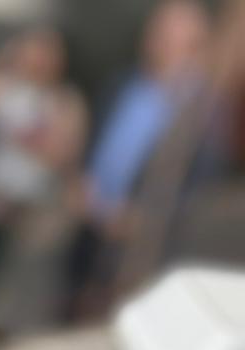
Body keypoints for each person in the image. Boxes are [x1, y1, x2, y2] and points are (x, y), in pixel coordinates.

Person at [64, 0, 210, 320]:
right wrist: (80, 178)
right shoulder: (122, 82)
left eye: (172, 38)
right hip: (87, 225)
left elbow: (201, 185)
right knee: (68, 303)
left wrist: (143, 219)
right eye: (157, 32)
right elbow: (94, 137)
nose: (159, 42)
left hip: (136, 248)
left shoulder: (200, 115)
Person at [0, 28, 86, 298]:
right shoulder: (4, 87)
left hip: (33, 206)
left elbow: (65, 152)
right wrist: (1, 60)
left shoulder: (63, 99)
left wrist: (33, 141)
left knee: (17, 285)